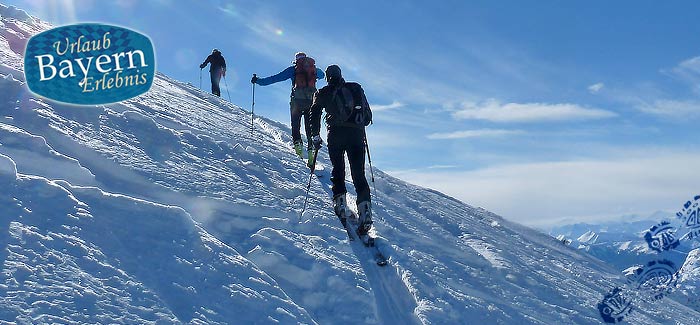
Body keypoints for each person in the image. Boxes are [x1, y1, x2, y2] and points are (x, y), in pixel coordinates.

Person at [309, 64, 373, 235]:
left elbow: (314, 113)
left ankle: (340, 204)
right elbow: (367, 117)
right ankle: (365, 210)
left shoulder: (323, 92)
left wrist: (315, 135)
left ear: (328, 77)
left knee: (338, 169)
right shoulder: (355, 88)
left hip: (336, 135)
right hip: (357, 135)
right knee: (358, 173)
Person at [251, 52, 324, 166]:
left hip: (296, 102)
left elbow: (275, 78)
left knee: (296, 126)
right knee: (309, 128)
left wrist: (259, 81)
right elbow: (322, 75)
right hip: (310, 102)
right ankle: (311, 155)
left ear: (296, 60)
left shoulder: (293, 70)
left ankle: (298, 152)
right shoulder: (314, 69)